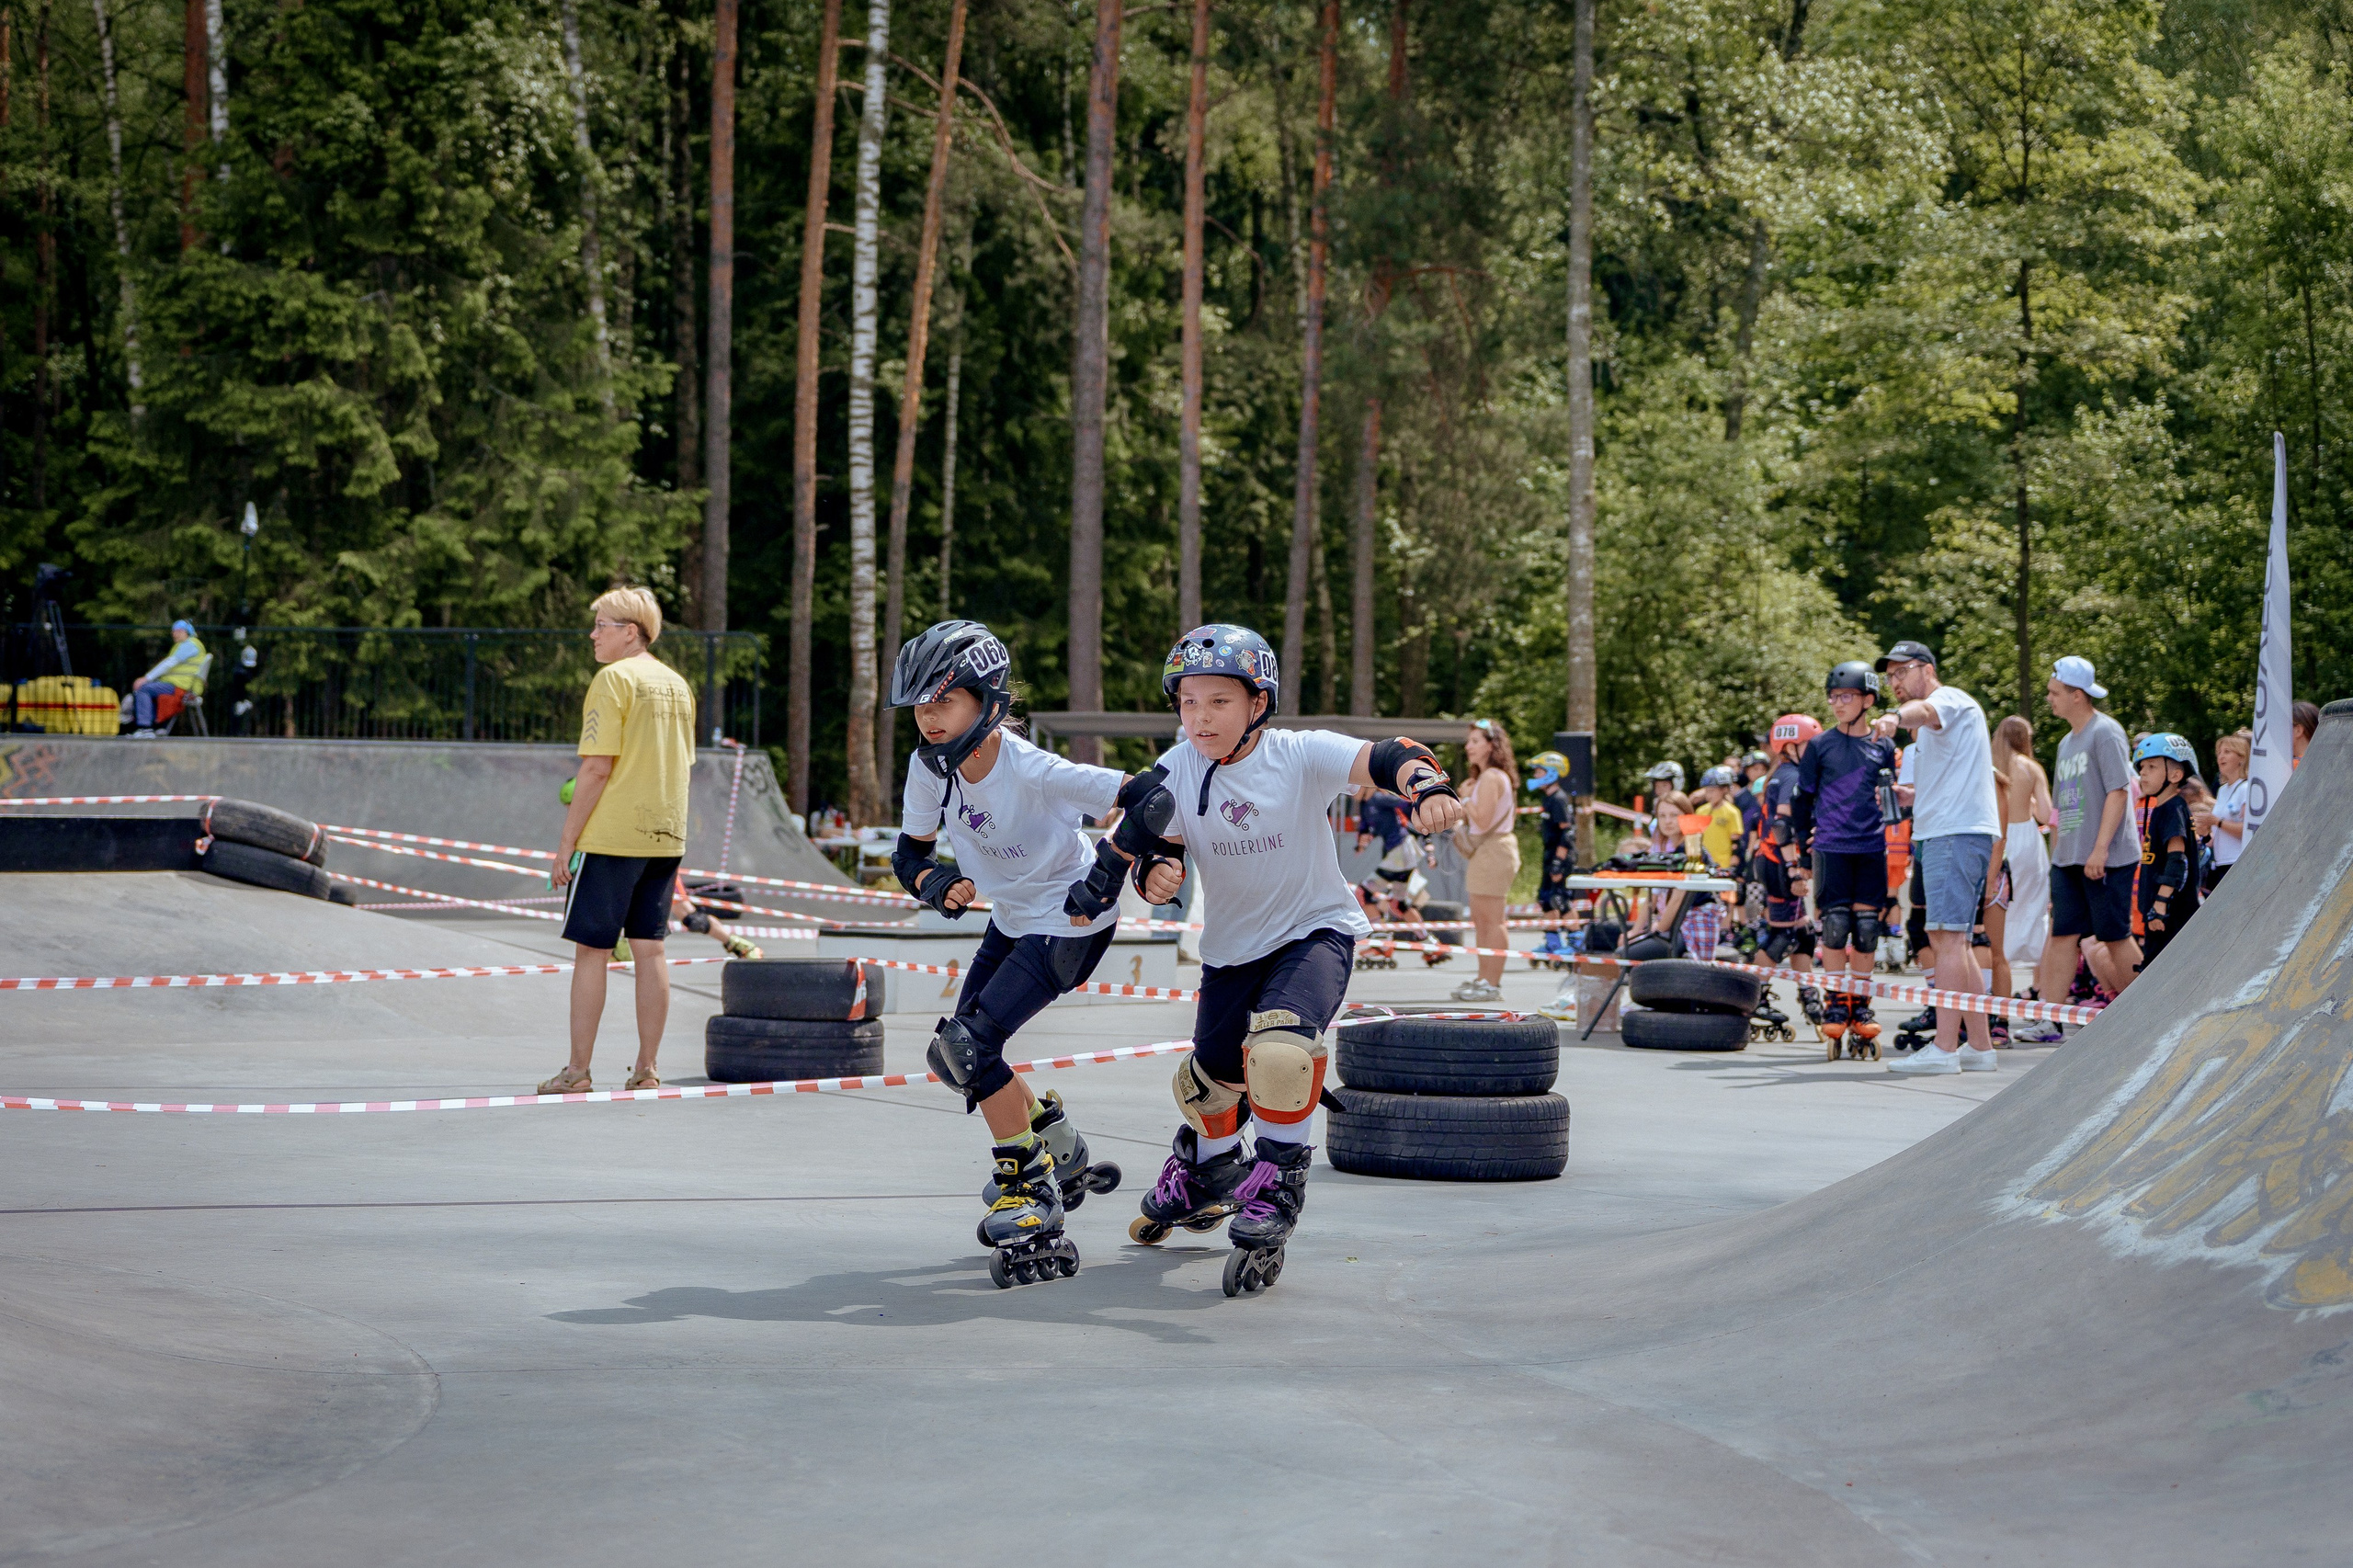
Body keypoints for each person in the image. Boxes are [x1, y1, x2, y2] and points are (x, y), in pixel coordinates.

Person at [1108, 624, 1461, 1291]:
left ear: (1258, 703)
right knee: (1207, 1086)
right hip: (1230, 949)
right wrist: (1155, 873)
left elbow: (1391, 755)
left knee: (1278, 1055)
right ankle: (1208, 1173)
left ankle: (1276, 1185)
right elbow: (1161, 847)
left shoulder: (1299, 754)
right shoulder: (1176, 768)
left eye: (1218, 701)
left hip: (1312, 932)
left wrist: (1429, 787)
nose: (1200, 717)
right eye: (1188, 702)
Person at [886, 620, 1158, 1284]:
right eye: (920, 706)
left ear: (987, 701)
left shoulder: (1033, 768)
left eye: (943, 702)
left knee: (972, 1047)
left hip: (1071, 921)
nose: (928, 719)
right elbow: (909, 855)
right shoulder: (929, 768)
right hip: (1013, 917)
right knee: (956, 1056)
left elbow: (1152, 797)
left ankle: (1030, 1186)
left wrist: (1110, 871)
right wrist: (935, 883)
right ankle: (1057, 1144)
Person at [540, 587, 696, 1095]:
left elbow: (596, 769)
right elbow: (683, 765)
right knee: (651, 951)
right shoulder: (677, 684)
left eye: (601, 625)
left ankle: (577, 1072)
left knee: (592, 953)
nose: (593, 634)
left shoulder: (614, 679)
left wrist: (566, 845)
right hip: (666, 837)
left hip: (613, 838)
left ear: (631, 632)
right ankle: (646, 1069)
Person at [1872, 640, 2003, 1074]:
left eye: (1902, 672)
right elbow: (1944, 782)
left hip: (1954, 834)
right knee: (1956, 941)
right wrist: (1908, 796)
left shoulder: (1948, 700)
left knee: (1944, 937)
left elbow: (1922, 710)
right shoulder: (1932, 731)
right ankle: (1979, 1046)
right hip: (1947, 832)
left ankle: (1945, 1049)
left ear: (1927, 669)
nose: (1895, 682)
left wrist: (1894, 718)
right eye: (1890, 677)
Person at [1793, 663, 1896, 1051]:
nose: (1837, 704)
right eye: (1833, 697)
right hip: (1831, 847)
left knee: (1867, 930)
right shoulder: (1820, 745)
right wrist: (1803, 852)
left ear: (1868, 700)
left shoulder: (1883, 747)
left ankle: (1861, 1006)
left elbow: (1891, 797)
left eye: (1846, 697)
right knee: (1835, 927)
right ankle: (1837, 1003)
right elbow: (1801, 800)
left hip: (1871, 847)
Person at [2037, 655, 2142, 1010]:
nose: (2049, 698)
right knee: (2062, 935)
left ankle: (2152, 1013)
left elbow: (2119, 791)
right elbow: (2059, 808)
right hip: (2068, 858)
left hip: (2106, 858)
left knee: (2114, 936)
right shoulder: (2065, 743)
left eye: (2054, 692)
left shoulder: (2105, 732)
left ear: (2077, 695)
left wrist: (2100, 849)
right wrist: (2056, 853)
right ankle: (2050, 1018)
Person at [1756, 713, 1824, 1020]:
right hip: (1779, 864)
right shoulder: (1791, 776)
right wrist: (1793, 869)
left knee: (1804, 934)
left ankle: (1807, 993)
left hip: (1775, 862)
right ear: (1789, 746)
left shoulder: (1785, 773)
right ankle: (1754, 996)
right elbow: (1782, 825)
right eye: (1809, 745)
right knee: (1781, 936)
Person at [1451, 719, 1522, 1003]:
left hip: (1494, 851)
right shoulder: (1487, 777)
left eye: (1475, 741)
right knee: (1482, 921)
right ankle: (1484, 979)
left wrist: (1467, 798)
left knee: (1492, 920)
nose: (1468, 747)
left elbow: (1482, 819)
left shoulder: (1492, 777)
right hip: (1488, 852)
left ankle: (1491, 983)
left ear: (1491, 745)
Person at [2131, 733, 2200, 971]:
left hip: (2170, 912)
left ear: (2175, 775)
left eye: (2152, 767)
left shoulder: (2173, 808)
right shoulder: (2161, 808)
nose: (2143, 773)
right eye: (2142, 767)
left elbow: (2177, 859)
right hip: (2159, 911)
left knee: (2165, 972)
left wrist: (2161, 903)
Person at [1992, 715, 2052, 984]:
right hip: (2026, 837)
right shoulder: (2031, 768)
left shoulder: (1989, 766)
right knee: (2034, 901)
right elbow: (2046, 814)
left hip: (1998, 837)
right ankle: (2037, 973)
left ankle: (1998, 961)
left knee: (1999, 902)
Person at [1525, 750, 1577, 958]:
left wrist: (1558, 861)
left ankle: (1576, 940)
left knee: (1560, 900)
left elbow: (1568, 832)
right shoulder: (1548, 799)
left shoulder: (1559, 799)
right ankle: (1552, 941)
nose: (1535, 776)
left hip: (1560, 857)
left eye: (1539, 772)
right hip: (1549, 854)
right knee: (1546, 899)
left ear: (1551, 773)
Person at [126, 619, 207, 737]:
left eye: (178, 631)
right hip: (181, 685)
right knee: (150, 689)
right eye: (173, 631)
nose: (174, 634)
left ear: (186, 632)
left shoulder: (189, 645)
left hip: (180, 686)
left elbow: (169, 663)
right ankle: (158, 727)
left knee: (144, 689)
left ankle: (145, 728)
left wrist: (146, 678)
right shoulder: (190, 644)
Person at [2200, 730, 2251, 892]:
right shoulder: (2222, 790)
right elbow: (2217, 832)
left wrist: (2216, 822)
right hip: (2221, 862)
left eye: (2227, 752)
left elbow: (2247, 829)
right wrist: (2205, 831)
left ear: (2242, 758)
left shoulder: (2246, 788)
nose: (2221, 757)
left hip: (2238, 861)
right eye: (2219, 753)